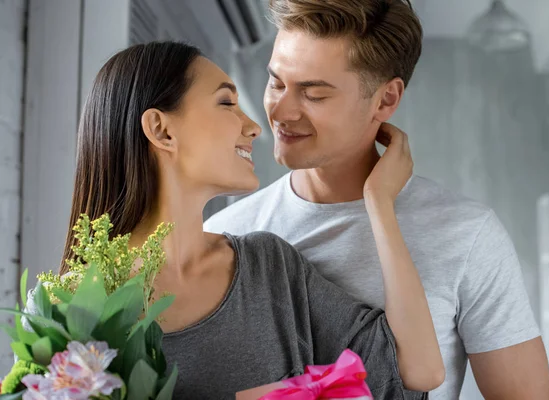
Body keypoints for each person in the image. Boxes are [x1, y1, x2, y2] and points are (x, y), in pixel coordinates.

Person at [53, 41, 444, 399]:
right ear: (161, 129)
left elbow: (418, 372)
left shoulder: (269, 266)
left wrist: (377, 201)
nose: (255, 126)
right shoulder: (69, 307)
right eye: (226, 103)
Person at [204, 0, 549, 399]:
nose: (281, 111)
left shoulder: (466, 236)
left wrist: (378, 203)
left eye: (314, 94)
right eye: (276, 83)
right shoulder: (224, 235)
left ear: (386, 100)